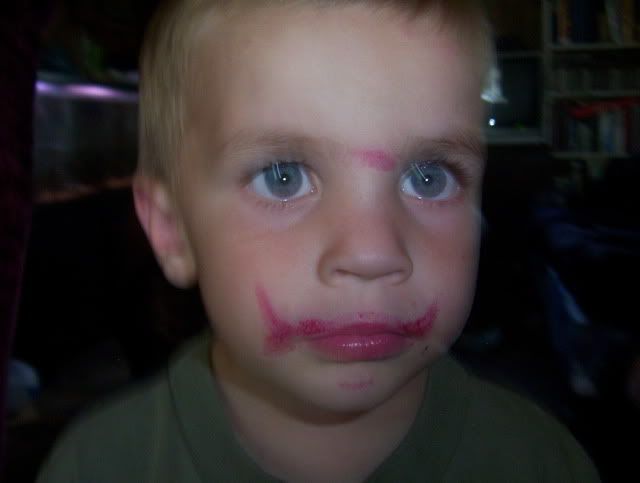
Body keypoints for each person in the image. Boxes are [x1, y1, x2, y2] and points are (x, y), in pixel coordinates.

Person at [37, 0, 601, 481]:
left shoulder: (540, 463)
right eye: (283, 177)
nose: (373, 253)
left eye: (429, 178)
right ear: (171, 230)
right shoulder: (102, 466)